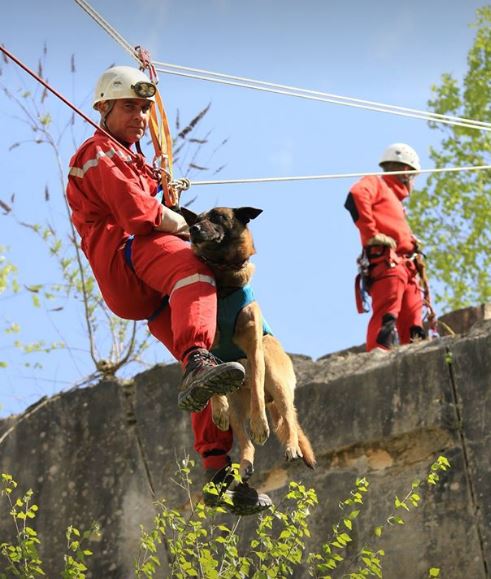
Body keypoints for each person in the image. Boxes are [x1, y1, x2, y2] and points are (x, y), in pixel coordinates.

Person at [66, 65, 272, 514]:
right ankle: (198, 359)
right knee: (193, 268)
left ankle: (218, 473)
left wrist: (168, 195)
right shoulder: (98, 153)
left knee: (209, 357)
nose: (140, 116)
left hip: (147, 283)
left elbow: (153, 205)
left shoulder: (135, 160)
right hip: (126, 261)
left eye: (143, 108)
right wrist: (187, 220)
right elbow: (140, 216)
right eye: (128, 107)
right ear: (103, 107)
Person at [344, 143, 427, 352]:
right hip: (389, 265)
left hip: (407, 269)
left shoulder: (396, 203)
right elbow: (356, 195)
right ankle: (378, 357)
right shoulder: (376, 184)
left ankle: (415, 359)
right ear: (406, 171)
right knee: (387, 316)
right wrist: (371, 234)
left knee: (414, 324)